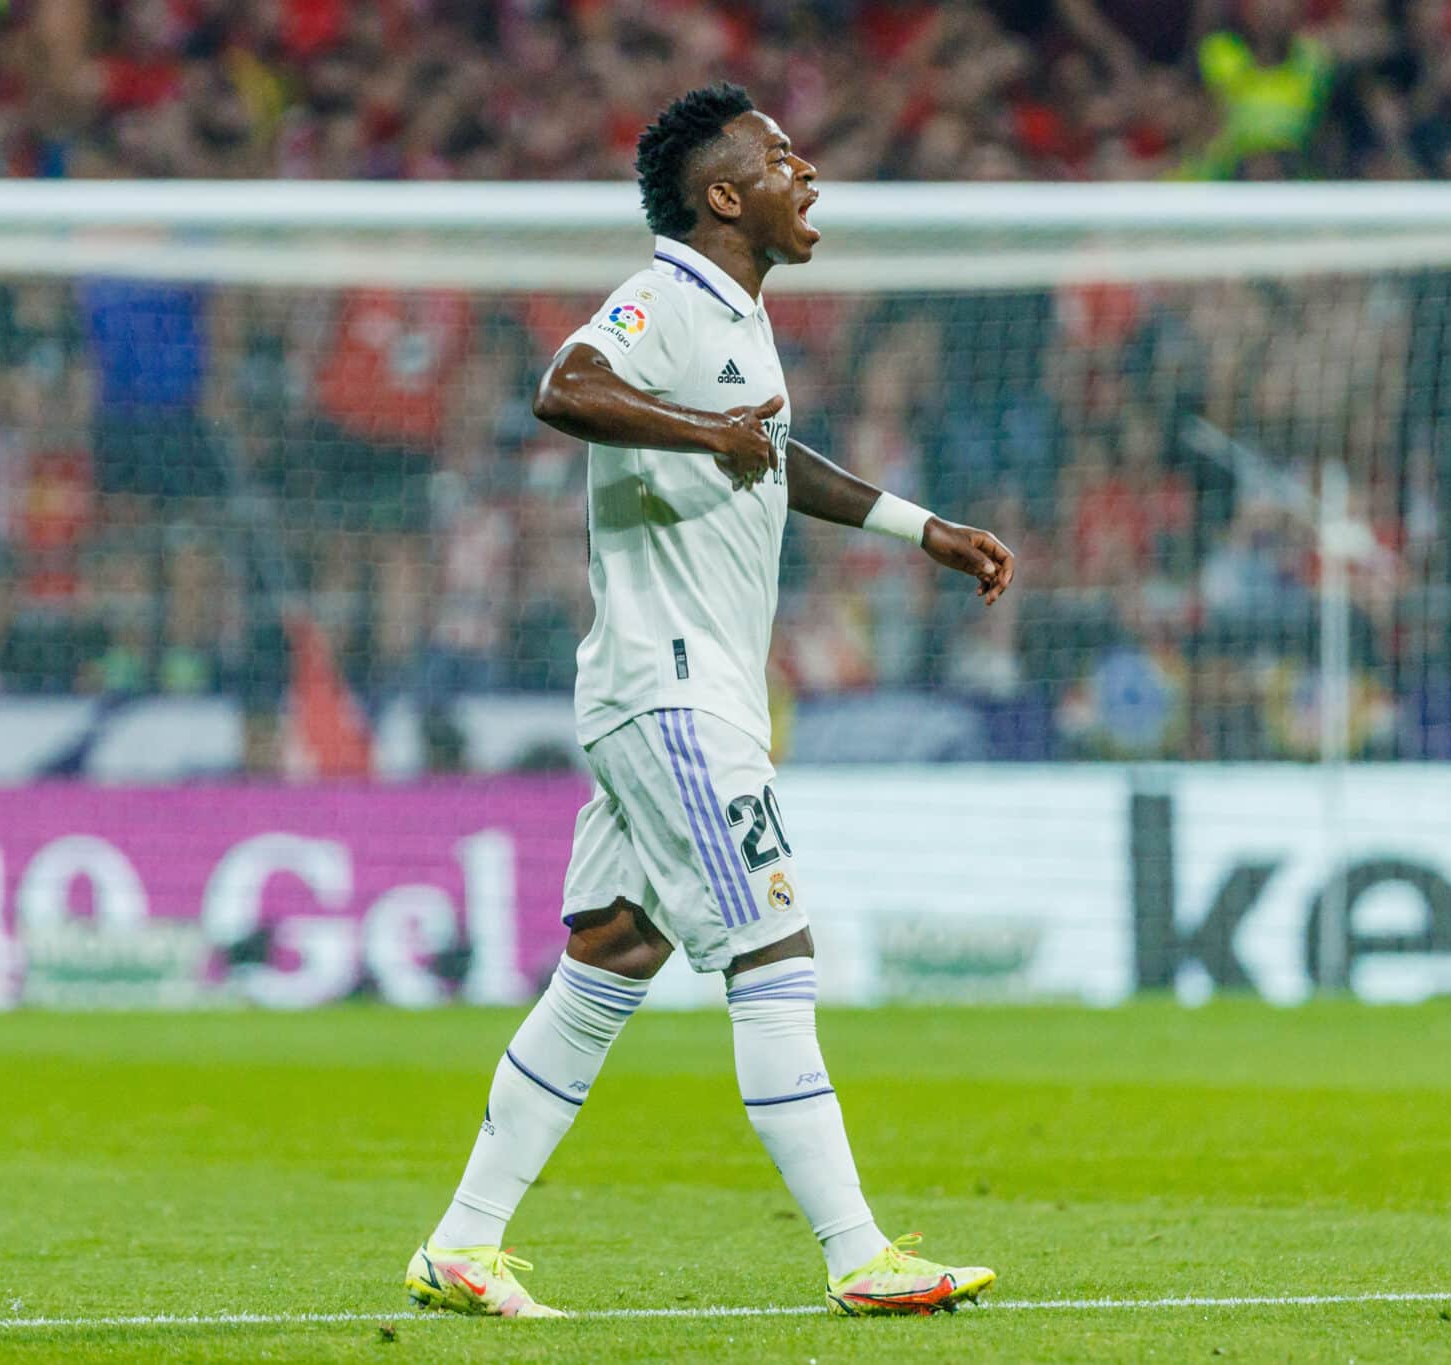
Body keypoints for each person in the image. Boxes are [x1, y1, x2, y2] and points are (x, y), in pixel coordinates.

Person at [406, 83, 1016, 1320]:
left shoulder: (735, 316)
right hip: (675, 691)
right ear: (723, 195)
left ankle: (459, 1244)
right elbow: (562, 388)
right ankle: (857, 1255)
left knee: (611, 958)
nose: (810, 177)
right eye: (784, 159)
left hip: (676, 690)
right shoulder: (669, 297)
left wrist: (921, 529)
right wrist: (700, 431)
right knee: (775, 951)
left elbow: (769, 455)